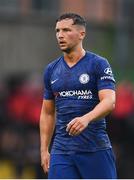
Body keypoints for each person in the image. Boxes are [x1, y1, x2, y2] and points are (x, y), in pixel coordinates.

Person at [40, 13, 117, 179]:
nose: (60, 35)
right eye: (57, 30)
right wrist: (44, 150)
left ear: (82, 34)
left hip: (95, 149)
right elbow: (47, 112)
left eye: (66, 30)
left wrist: (86, 118)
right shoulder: (51, 70)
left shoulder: (98, 64)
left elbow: (109, 101)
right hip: (62, 151)